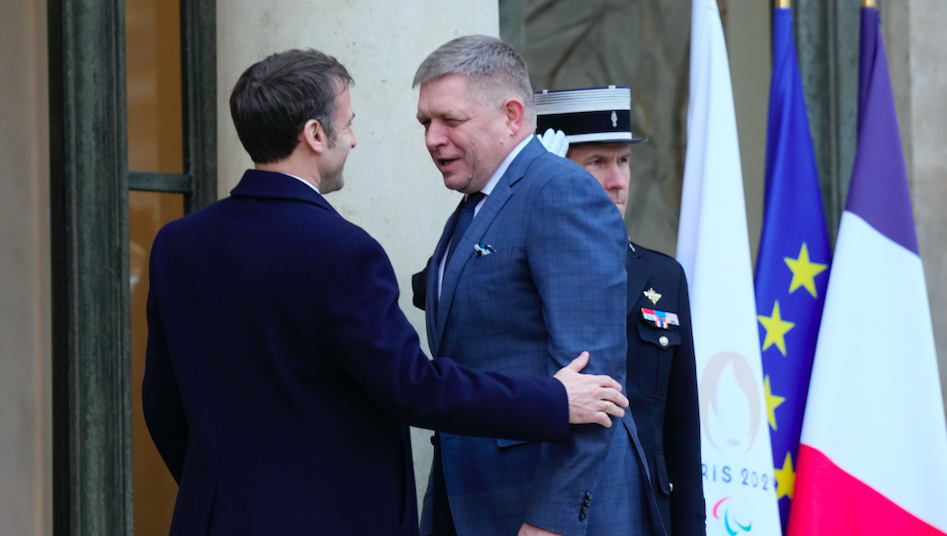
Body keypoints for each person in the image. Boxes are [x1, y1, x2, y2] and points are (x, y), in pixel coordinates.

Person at [141, 48, 631, 536]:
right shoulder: (341, 250)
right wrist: (552, 400)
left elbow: (163, 407)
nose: (355, 139)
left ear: (512, 115)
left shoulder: (175, 245)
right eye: (349, 124)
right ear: (315, 135)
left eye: (449, 120)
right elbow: (411, 386)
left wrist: (227, 493)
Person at [413, 36, 652, 536]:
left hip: (542, 508)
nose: (433, 138)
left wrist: (551, 522)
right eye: (425, 123)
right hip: (475, 499)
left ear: (512, 115)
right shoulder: (478, 202)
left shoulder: (558, 190)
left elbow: (595, 383)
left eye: (450, 120)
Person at [535, 86, 706, 535]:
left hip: (640, 514)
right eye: (597, 162)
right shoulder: (517, 269)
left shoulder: (663, 276)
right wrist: (524, 200)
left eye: (624, 160)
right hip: (541, 511)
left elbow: (681, 433)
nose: (618, 181)